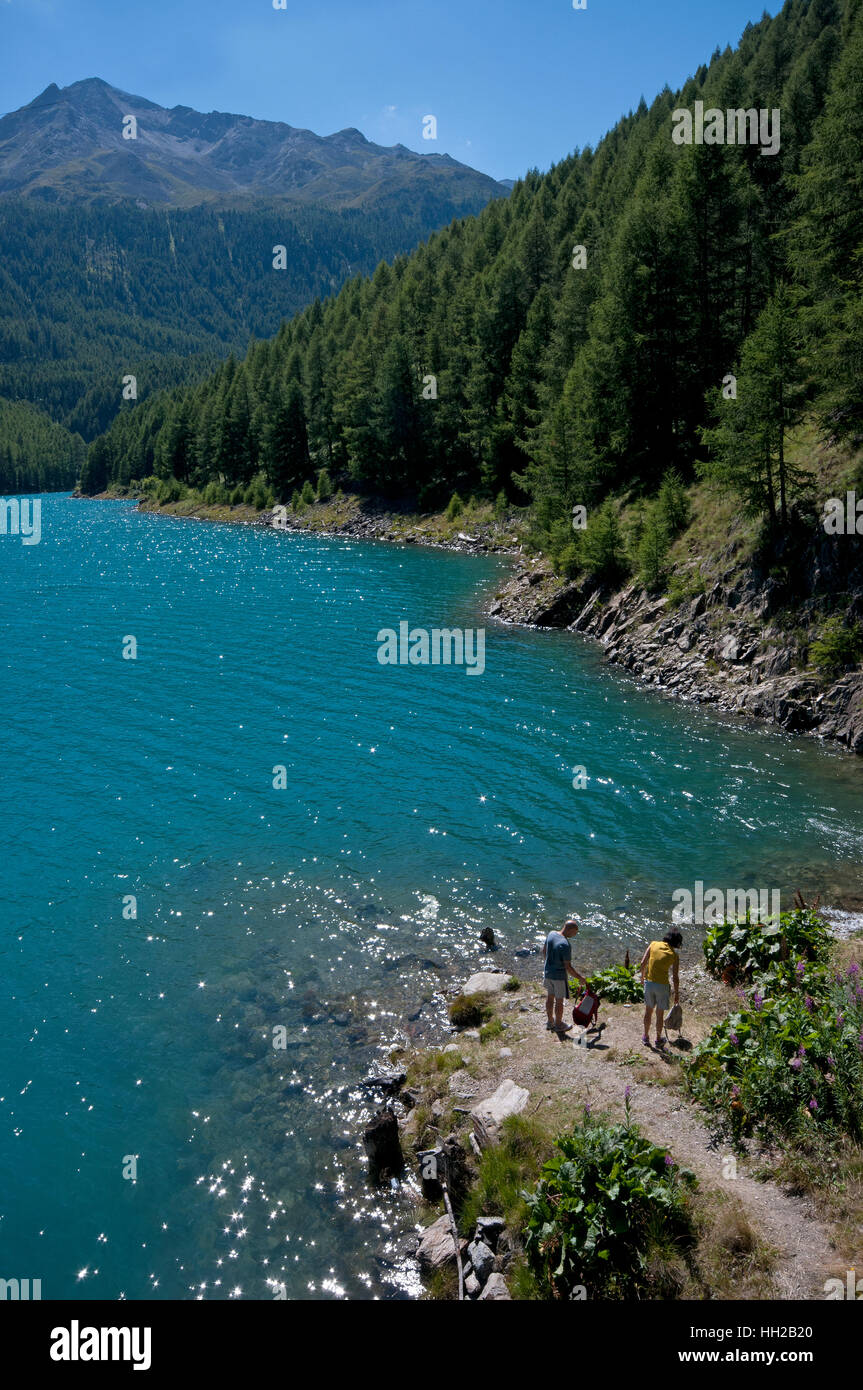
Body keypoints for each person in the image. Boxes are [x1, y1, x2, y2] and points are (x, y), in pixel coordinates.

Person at [639, 930, 682, 1049]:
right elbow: (675, 977)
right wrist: (677, 993)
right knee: (659, 1015)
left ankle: (645, 1037)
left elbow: (643, 963)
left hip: (649, 983)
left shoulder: (653, 944)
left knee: (648, 1011)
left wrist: (642, 977)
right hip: (662, 986)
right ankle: (658, 1040)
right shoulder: (674, 955)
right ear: (676, 943)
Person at [543, 919, 587, 1032]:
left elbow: (544, 951)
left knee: (550, 997)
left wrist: (548, 965)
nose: (575, 935)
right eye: (575, 932)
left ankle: (549, 1022)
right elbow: (568, 967)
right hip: (558, 976)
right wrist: (580, 978)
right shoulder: (565, 945)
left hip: (547, 972)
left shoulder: (551, 934)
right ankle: (558, 1024)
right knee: (559, 1001)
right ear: (571, 930)